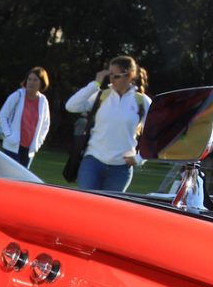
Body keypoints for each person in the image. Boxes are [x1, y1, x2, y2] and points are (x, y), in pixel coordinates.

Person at [64, 55, 151, 193]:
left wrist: (140, 158)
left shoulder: (142, 102)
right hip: (92, 161)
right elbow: (71, 106)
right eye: (109, 75)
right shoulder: (101, 96)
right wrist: (95, 84)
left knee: (107, 211)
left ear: (130, 76)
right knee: (85, 206)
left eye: (116, 76)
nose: (111, 79)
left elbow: (153, 135)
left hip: (121, 168)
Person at [0, 67, 51, 168]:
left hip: (29, 150)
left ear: (42, 83)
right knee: (9, 179)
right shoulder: (17, 95)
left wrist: (38, 143)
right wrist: (9, 135)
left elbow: (45, 125)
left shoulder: (43, 101)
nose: (31, 82)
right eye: (29, 79)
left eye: (35, 80)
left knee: (22, 182)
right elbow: (2, 116)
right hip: (12, 146)